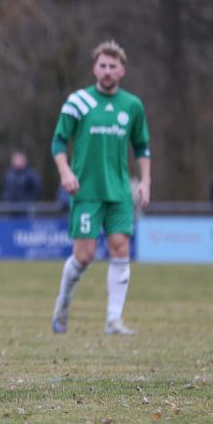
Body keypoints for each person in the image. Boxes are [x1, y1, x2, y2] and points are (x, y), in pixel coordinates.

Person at [50, 40, 151, 335]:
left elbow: (142, 146)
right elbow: (58, 141)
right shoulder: (78, 101)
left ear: (122, 70)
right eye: (102, 65)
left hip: (119, 191)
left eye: (113, 66)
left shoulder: (132, 106)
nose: (107, 71)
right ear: (95, 68)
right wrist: (65, 171)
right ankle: (63, 305)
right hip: (86, 189)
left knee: (121, 249)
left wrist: (145, 181)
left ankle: (113, 320)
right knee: (84, 256)